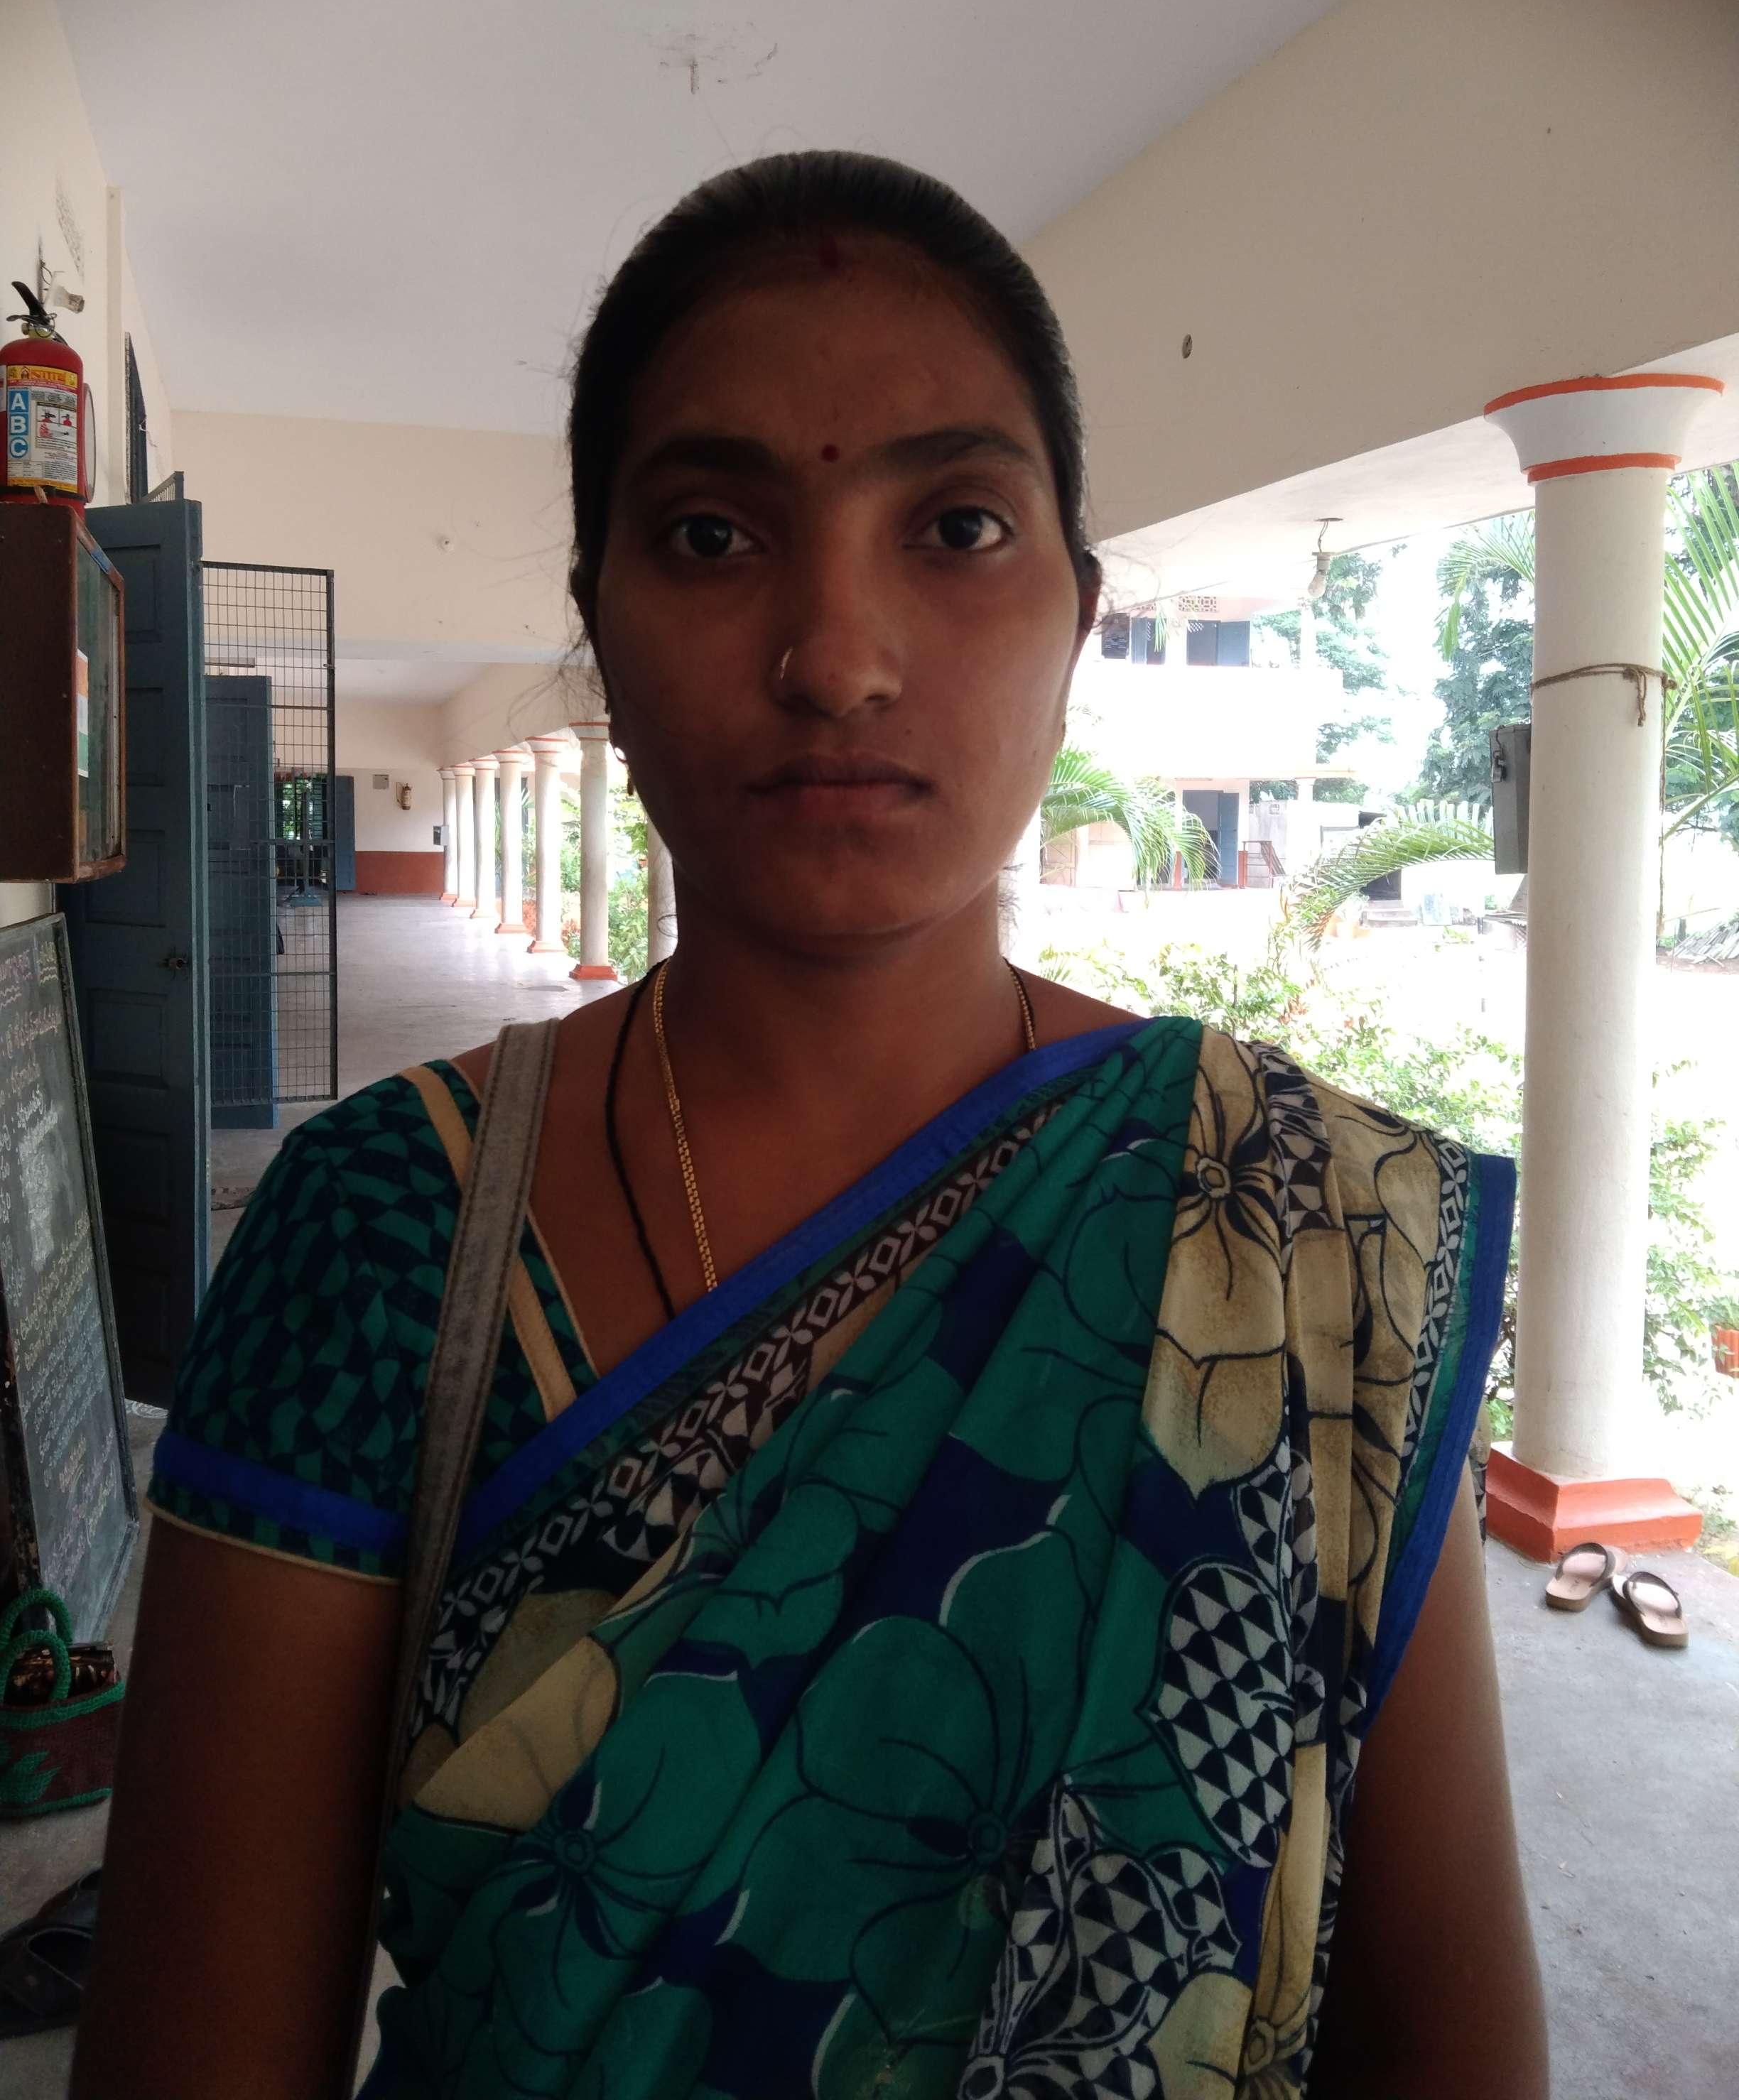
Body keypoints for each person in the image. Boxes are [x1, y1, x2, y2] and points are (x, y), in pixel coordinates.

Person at [74, 152, 1546, 2100]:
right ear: (599, 631)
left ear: (1078, 617)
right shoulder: (385, 1232)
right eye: (709, 535)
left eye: (958, 525)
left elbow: (1448, 2044)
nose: (838, 658)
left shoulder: (1304, 1230)